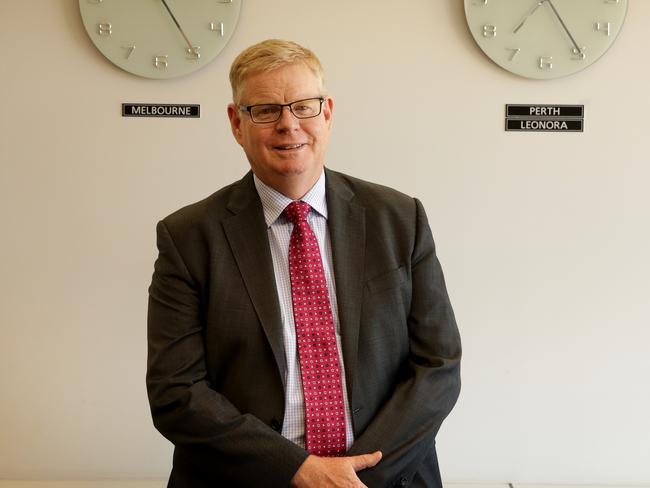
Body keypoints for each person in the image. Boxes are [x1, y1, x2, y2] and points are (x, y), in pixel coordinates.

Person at [146, 39, 461, 488]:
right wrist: (296, 470)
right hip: (248, 478)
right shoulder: (188, 237)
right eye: (266, 110)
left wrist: (356, 478)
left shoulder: (400, 218)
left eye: (304, 106)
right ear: (237, 123)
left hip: (385, 477)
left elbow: (439, 366)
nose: (288, 125)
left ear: (328, 112)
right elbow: (175, 393)